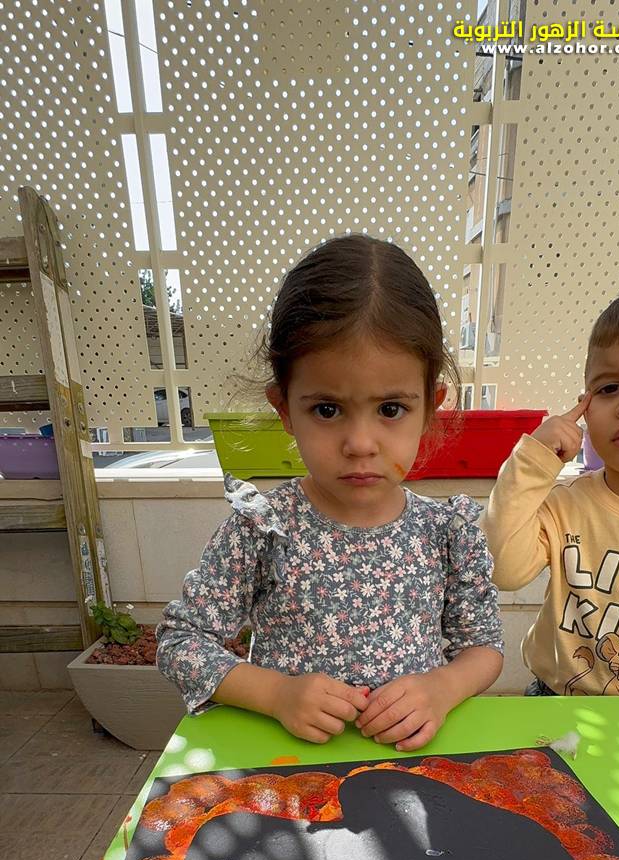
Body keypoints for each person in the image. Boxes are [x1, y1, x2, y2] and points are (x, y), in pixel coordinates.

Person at [156, 234, 504, 748]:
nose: (360, 443)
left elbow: (484, 647)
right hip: (287, 769)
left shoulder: (447, 532)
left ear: (430, 406)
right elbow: (180, 642)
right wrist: (276, 694)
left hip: (413, 769)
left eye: (390, 409)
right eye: (326, 409)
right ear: (284, 409)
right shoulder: (263, 527)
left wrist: (443, 688)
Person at [482, 269, 619, 696]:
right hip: (560, 701)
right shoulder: (565, 505)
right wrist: (532, 462)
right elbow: (501, 569)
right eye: (609, 387)